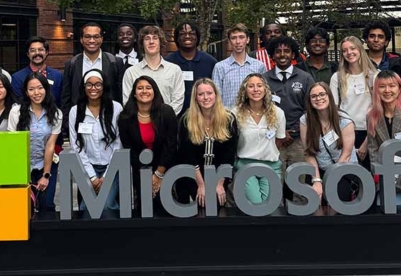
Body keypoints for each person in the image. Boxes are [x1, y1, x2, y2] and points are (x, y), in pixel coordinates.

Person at [263, 35, 315, 203]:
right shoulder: (264, 79)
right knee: (274, 181)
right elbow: (262, 110)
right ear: (272, 55)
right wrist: (280, 132)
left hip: (299, 140)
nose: (282, 54)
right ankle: (275, 212)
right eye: (278, 51)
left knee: (299, 182)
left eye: (286, 51)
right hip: (273, 141)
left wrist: (295, 131)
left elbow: (311, 109)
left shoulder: (305, 78)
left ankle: (301, 212)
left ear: (293, 54)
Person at [118, 76, 178, 214]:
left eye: (148, 88)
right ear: (134, 93)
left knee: (164, 209)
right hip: (140, 170)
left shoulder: (167, 112)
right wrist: (146, 177)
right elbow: (129, 149)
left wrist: (158, 175)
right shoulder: (125, 117)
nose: (144, 91)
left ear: (154, 91)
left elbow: (171, 145)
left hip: (165, 168)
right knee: (144, 210)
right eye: (140, 88)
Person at [177, 78, 238, 207]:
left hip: (219, 175)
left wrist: (220, 184)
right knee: (197, 205)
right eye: (201, 94)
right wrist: (201, 184)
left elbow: (229, 155)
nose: (206, 98)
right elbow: (187, 156)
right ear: (195, 98)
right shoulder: (186, 120)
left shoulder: (229, 119)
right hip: (192, 175)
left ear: (216, 95)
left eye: (209, 93)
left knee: (216, 205)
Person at [68, 70, 123, 211]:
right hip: (87, 168)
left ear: (104, 86)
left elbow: (118, 144)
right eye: (89, 85)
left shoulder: (116, 108)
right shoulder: (75, 111)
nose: (93, 88)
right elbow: (76, 146)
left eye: (98, 84)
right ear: (84, 87)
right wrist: (92, 177)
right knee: (87, 207)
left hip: (111, 167)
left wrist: (106, 176)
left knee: (106, 205)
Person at [8, 72, 63, 209]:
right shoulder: (16, 112)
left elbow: (50, 145)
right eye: (31, 89)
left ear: (46, 89)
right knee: (24, 207)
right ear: (26, 92)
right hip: (23, 166)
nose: (36, 93)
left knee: (47, 205)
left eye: (40, 88)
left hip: (46, 164)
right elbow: (14, 145)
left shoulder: (56, 114)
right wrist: (21, 174)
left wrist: (46, 175)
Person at [233, 74, 286, 204]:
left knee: (271, 205)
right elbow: (232, 142)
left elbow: (279, 140)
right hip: (245, 166)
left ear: (265, 89)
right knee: (256, 203)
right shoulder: (235, 113)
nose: (256, 89)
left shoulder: (278, 113)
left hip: (271, 166)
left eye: (259, 86)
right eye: (251, 86)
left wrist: (265, 151)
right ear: (245, 91)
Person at [299, 82, 357, 203]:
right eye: (314, 96)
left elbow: (346, 155)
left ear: (329, 96)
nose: (318, 98)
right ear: (309, 100)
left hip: (343, 169)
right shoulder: (305, 121)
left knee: (338, 204)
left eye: (322, 94)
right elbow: (308, 153)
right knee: (314, 203)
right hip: (318, 170)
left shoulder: (345, 121)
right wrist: (316, 180)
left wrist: (331, 180)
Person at [330, 36, 378, 171]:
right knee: (348, 174)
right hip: (345, 131)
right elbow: (334, 109)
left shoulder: (374, 76)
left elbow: (378, 109)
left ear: (360, 50)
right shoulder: (337, 77)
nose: (349, 53)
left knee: (370, 174)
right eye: (345, 50)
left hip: (370, 132)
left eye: (352, 48)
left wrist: (366, 142)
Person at [62, 22, 124, 117]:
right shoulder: (71, 65)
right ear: (81, 39)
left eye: (96, 37)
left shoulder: (115, 63)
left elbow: (120, 94)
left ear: (101, 39)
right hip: (80, 118)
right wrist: (66, 122)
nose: (92, 40)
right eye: (87, 37)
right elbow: (66, 98)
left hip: (108, 117)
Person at [122, 25, 185, 115]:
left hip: (167, 121)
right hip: (139, 122)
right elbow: (127, 102)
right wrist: (144, 119)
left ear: (160, 42)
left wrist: (164, 117)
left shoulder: (174, 70)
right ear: (142, 43)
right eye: (147, 39)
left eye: (155, 38)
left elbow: (178, 100)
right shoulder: (131, 72)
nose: (151, 42)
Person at [165, 21, 218, 114]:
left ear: (197, 37)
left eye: (191, 33)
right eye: (182, 34)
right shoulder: (168, 62)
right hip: (174, 116)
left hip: (204, 116)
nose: (187, 36)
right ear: (177, 38)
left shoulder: (210, 62)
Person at [213, 23, 266, 108]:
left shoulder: (259, 66)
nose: (238, 42)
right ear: (229, 41)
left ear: (247, 40)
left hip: (252, 114)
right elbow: (216, 97)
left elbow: (264, 94)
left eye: (241, 37)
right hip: (228, 114)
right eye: (234, 38)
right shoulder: (220, 67)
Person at [11, 36, 64, 107]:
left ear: (46, 52)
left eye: (40, 49)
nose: (37, 53)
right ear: (28, 54)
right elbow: (19, 103)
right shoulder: (17, 78)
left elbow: (62, 101)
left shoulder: (58, 76)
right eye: (32, 50)